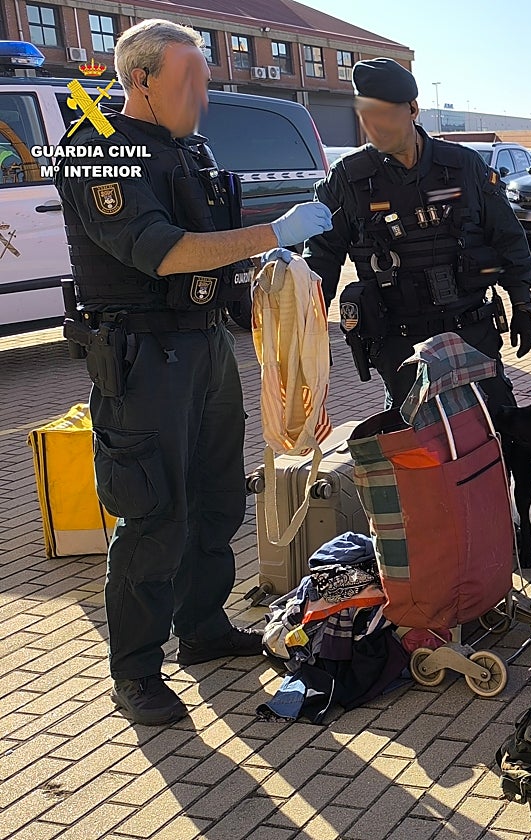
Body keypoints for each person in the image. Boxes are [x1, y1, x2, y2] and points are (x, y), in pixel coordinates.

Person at [53, 19, 332, 725]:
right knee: (153, 515)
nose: (204, 93)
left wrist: (258, 281)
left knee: (216, 501)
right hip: (143, 360)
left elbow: (211, 252)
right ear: (140, 79)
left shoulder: (192, 151)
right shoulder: (98, 152)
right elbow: (162, 250)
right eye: (191, 78)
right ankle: (136, 672)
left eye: (204, 76)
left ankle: (202, 628)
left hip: (204, 348)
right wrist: (273, 232)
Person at [300, 58, 531, 410]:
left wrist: (522, 304)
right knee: (419, 445)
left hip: (470, 329)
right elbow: (321, 258)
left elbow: (507, 238)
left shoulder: (464, 166)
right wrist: (308, 333)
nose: (375, 126)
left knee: (497, 426)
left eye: (385, 114)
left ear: (412, 109)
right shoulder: (347, 179)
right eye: (367, 116)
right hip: (398, 339)